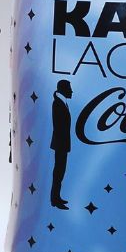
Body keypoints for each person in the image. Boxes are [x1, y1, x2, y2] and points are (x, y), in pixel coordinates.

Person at [50, 79, 72, 210]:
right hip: (60, 144)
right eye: (69, 88)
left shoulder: (62, 102)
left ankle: (56, 198)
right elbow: (59, 126)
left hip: (62, 144)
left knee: (60, 172)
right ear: (63, 89)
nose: (71, 91)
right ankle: (55, 199)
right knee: (58, 172)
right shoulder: (57, 103)